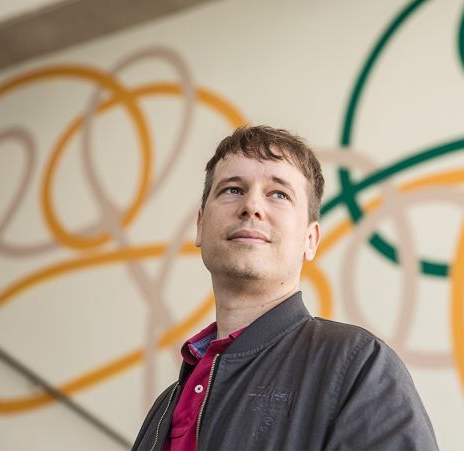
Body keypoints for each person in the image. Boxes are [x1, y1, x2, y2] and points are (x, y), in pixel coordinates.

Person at [132, 125, 438, 450]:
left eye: (279, 194)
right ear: (200, 226)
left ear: (310, 240)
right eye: (232, 189)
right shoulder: (167, 405)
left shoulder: (357, 365)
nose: (251, 206)